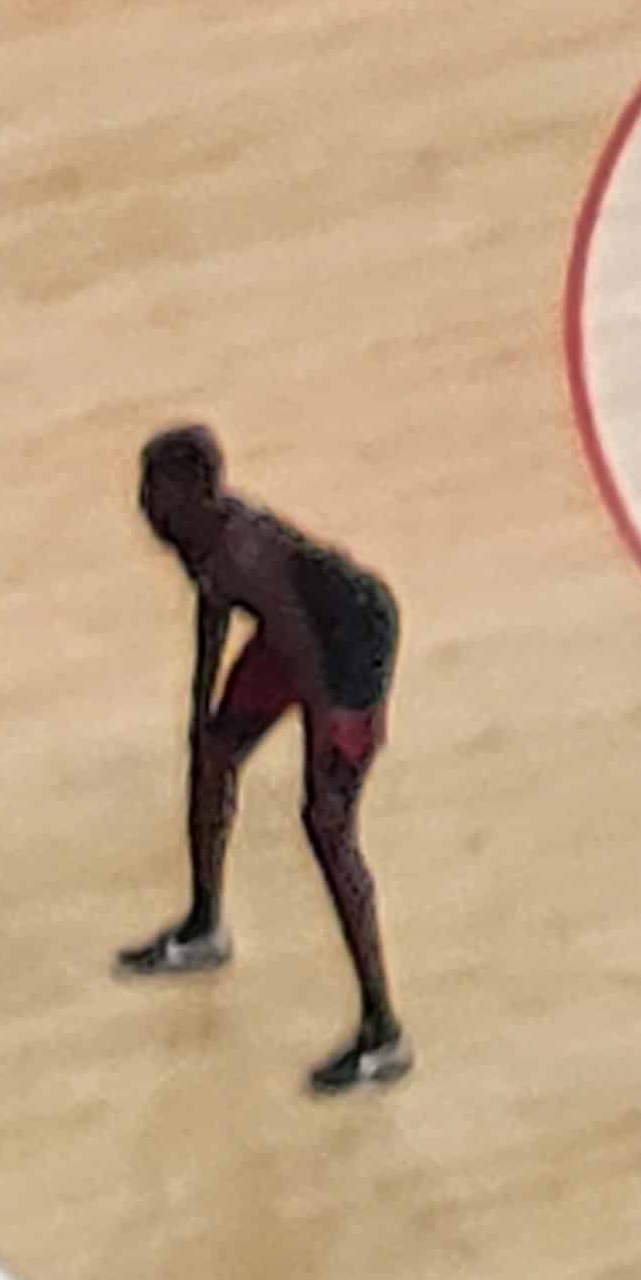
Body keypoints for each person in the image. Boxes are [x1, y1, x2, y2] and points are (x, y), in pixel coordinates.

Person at [117, 424, 410, 1094]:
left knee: (328, 827)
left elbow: (305, 653)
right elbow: (215, 608)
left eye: (155, 489)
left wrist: (323, 750)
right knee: (213, 757)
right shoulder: (193, 536)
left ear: (196, 492)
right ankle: (203, 929)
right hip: (294, 634)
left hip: (350, 643)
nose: (143, 503)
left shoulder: (244, 552)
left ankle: (383, 1032)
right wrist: (201, 711)